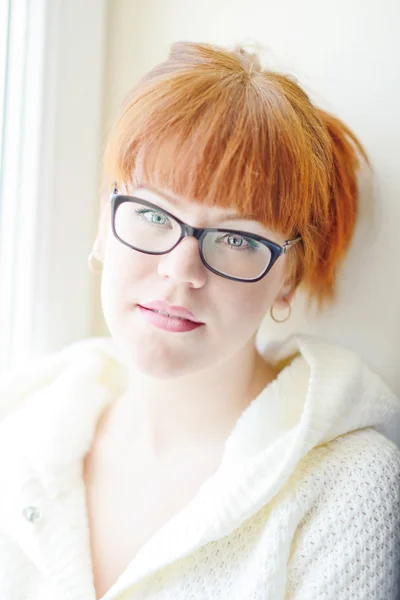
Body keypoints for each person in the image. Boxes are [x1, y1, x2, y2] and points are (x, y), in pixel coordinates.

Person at [0, 41, 399, 600]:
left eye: (237, 238)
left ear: (288, 275)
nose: (180, 270)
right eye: (151, 213)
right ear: (102, 221)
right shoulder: (22, 431)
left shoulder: (346, 488)